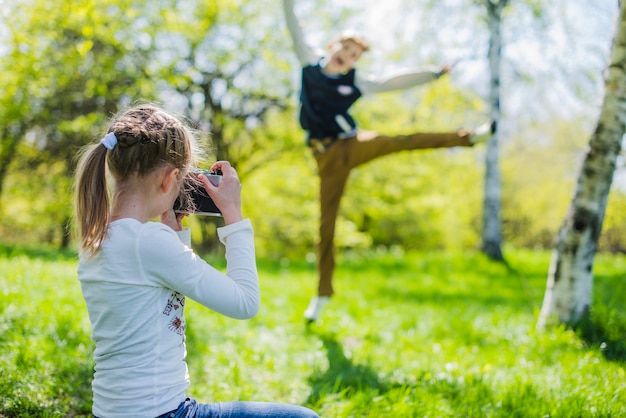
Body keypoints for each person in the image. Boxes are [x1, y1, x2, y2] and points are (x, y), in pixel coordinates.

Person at [74, 104, 319, 418]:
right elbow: (245, 303)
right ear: (170, 179)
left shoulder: (97, 237)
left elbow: (155, 293)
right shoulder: (149, 242)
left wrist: (173, 230)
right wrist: (233, 215)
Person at [282, 0, 494, 322]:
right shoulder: (309, 64)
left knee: (400, 141)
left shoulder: (356, 81)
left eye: (355, 55)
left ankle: (467, 137)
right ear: (332, 45)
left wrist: (433, 74)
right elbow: (294, 28)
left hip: (351, 144)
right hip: (325, 159)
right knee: (326, 227)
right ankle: (322, 295)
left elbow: (393, 81)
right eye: (346, 49)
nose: (348, 57)